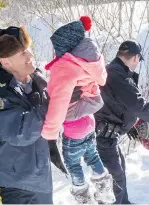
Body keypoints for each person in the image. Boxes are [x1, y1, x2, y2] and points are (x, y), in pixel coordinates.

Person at [0, 26, 71, 204]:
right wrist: (56, 101)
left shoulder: (37, 80)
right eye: (22, 54)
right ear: (6, 62)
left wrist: (75, 93)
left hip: (40, 179)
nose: (30, 56)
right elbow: (21, 132)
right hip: (15, 184)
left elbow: (56, 115)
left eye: (28, 50)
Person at [41, 16, 115, 204]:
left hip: (73, 125)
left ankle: (83, 197)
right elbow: (101, 81)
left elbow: (59, 102)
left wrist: (49, 133)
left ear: (65, 46)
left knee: (73, 163)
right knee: (92, 155)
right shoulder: (89, 59)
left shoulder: (65, 67)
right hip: (89, 121)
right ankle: (104, 189)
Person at [94, 40, 149, 204]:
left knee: (120, 173)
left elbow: (116, 103)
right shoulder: (117, 75)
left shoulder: (115, 72)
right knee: (114, 179)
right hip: (104, 137)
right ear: (136, 58)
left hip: (111, 135)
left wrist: (128, 124)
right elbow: (139, 106)